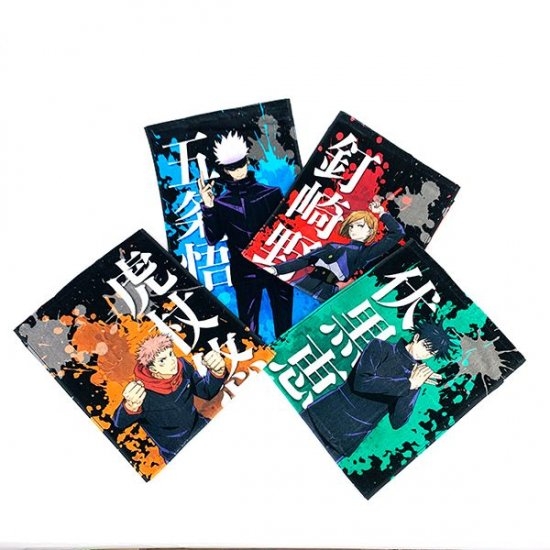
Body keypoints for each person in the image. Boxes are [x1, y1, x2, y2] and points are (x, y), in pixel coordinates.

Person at [300, 322, 456, 462]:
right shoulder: (380, 347)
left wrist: (412, 387)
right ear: (416, 337)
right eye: (426, 347)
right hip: (324, 415)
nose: (425, 354)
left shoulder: (416, 378)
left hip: (347, 438)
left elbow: (398, 421)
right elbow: (362, 382)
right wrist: (407, 384)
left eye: (431, 353)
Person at [199, 131, 293, 338]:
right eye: (232, 167)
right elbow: (212, 238)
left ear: (247, 162)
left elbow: (288, 227)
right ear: (225, 170)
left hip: (276, 265)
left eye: (241, 164)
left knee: (286, 329)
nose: (238, 170)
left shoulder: (271, 193)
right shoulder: (221, 203)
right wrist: (208, 206)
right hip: (245, 271)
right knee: (249, 332)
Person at [113, 334, 227, 463]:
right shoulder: (143, 393)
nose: (172, 361)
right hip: (176, 451)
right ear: (152, 369)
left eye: (171, 354)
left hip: (202, 427)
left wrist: (217, 372)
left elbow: (204, 392)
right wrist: (130, 406)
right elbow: (119, 423)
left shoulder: (183, 366)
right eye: (162, 360)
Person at [264, 201, 405, 301]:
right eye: (352, 226)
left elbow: (397, 233)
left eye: (360, 226)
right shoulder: (332, 246)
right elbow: (303, 261)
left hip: (328, 293)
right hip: (305, 283)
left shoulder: (364, 254)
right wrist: (275, 270)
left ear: (370, 231)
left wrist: (381, 213)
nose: (354, 229)